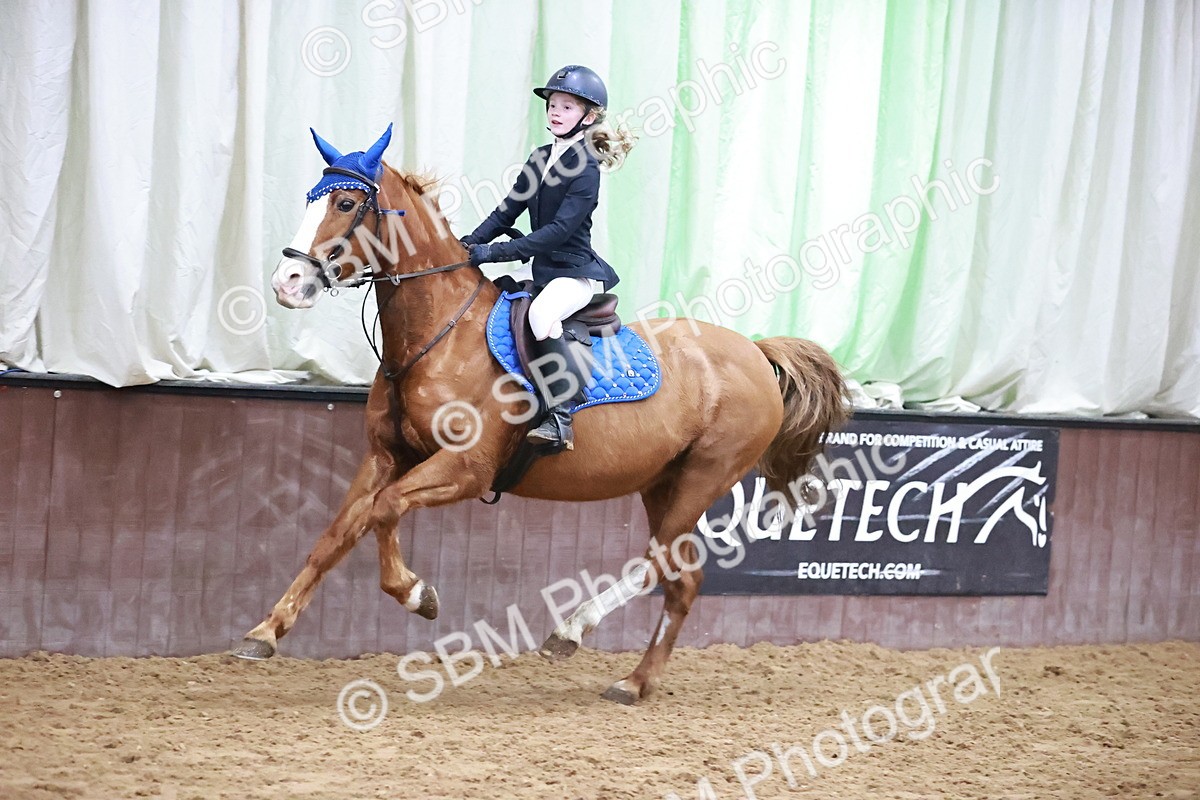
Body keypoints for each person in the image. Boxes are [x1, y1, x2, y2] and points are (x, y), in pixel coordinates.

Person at [461, 65, 636, 451]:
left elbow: (558, 231)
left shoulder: (587, 168)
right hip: (540, 269)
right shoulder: (540, 157)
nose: (556, 112)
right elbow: (507, 212)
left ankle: (561, 417)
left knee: (541, 316)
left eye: (567, 107)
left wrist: (494, 252)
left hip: (573, 273)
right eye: (553, 105)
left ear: (588, 117)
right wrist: (468, 244)